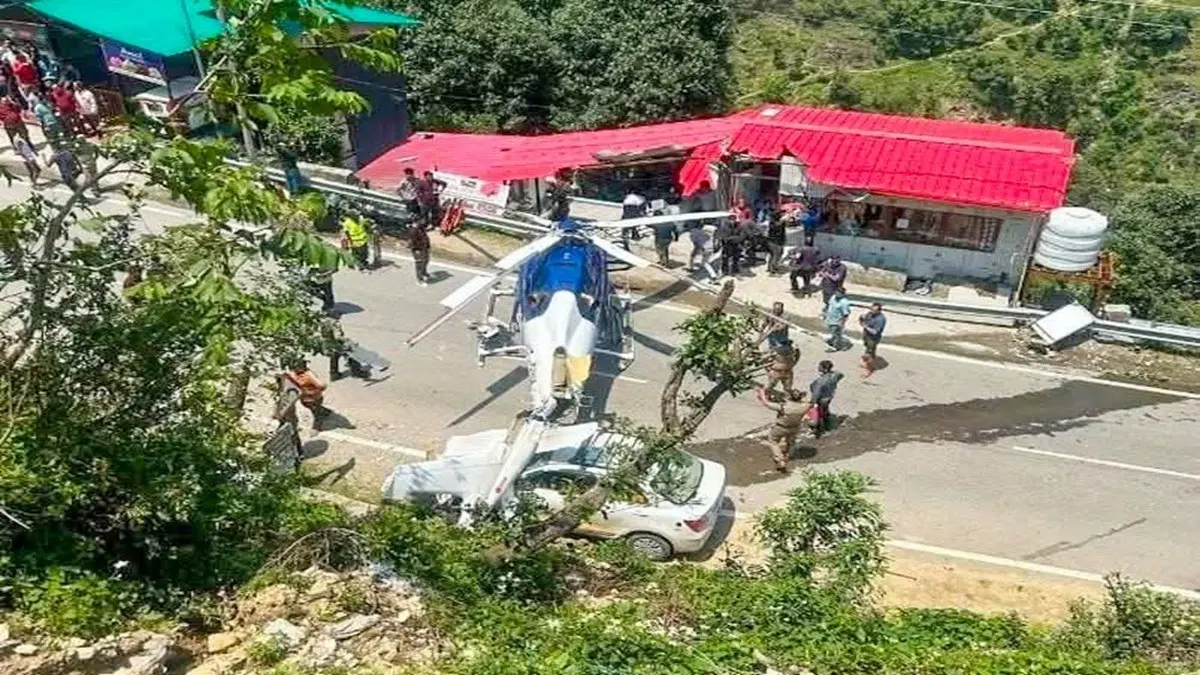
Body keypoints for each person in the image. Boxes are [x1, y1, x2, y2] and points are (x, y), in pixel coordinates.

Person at [756, 387, 812, 473]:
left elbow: (766, 403)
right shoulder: (805, 406)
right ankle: (788, 456)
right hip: (795, 427)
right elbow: (812, 404)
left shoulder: (783, 407)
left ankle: (780, 459)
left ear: (789, 397)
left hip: (781, 427)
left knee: (773, 440)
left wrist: (762, 393)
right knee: (791, 442)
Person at [283, 360, 328, 431]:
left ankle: (317, 427)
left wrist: (311, 391)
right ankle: (324, 411)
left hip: (314, 398)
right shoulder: (293, 373)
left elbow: (322, 386)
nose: (294, 368)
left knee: (316, 413)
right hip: (304, 399)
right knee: (310, 407)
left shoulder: (308, 374)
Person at [809, 360, 844, 438]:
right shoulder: (834, 376)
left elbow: (816, 393)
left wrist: (812, 403)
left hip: (821, 399)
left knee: (817, 414)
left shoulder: (820, 381)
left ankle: (818, 431)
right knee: (825, 411)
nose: (818, 367)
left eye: (820, 366)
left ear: (824, 369)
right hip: (829, 397)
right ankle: (828, 427)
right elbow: (841, 375)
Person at [859, 302, 887, 377]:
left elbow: (875, 332)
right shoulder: (870, 314)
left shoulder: (881, 319)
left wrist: (866, 327)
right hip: (866, 336)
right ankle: (867, 362)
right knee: (868, 350)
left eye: (873, 310)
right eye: (871, 309)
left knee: (869, 354)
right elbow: (864, 320)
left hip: (873, 339)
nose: (871, 311)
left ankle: (869, 369)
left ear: (879, 311)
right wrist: (861, 318)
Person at [824, 287, 852, 352]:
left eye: (839, 293)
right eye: (836, 292)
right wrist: (825, 312)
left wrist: (842, 322)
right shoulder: (833, 297)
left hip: (837, 321)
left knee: (836, 334)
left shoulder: (844, 303)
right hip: (830, 318)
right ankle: (833, 340)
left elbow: (846, 314)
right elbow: (829, 305)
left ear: (842, 294)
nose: (837, 294)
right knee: (833, 332)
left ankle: (835, 346)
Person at [408, 220, 432, 286]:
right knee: (419, 263)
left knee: (426, 260)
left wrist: (428, 246)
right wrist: (416, 250)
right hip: (417, 249)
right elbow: (412, 241)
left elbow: (425, 237)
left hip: (424, 247)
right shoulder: (413, 230)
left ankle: (424, 273)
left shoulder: (421, 228)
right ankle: (419, 280)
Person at [765, 208, 786, 274]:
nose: (782, 215)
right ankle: (773, 270)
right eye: (781, 213)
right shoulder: (775, 223)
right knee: (776, 256)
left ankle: (770, 267)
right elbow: (777, 229)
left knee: (772, 255)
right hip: (776, 242)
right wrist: (782, 222)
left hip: (772, 241)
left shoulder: (773, 222)